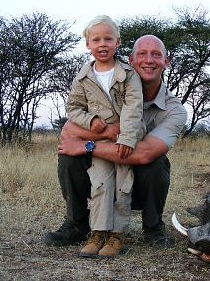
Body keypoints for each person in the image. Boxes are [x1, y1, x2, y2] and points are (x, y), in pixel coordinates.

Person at [44, 34, 187, 256]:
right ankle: (77, 223)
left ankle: (153, 226)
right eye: (142, 54)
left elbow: (144, 154)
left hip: (136, 178)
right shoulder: (105, 85)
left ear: (166, 62)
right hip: (100, 175)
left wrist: (87, 146)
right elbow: (69, 129)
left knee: (156, 162)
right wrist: (109, 132)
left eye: (156, 55)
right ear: (131, 59)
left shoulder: (175, 109)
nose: (148, 60)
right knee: (68, 158)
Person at [58, 15, 145, 258]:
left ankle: (117, 234)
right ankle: (98, 232)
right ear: (88, 44)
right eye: (96, 39)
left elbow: (133, 106)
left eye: (108, 38)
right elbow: (74, 107)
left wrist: (127, 138)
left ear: (117, 42)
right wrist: (91, 122)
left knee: (122, 184)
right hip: (99, 140)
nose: (102, 43)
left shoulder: (128, 74)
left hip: (125, 139)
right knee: (100, 183)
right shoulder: (83, 76)